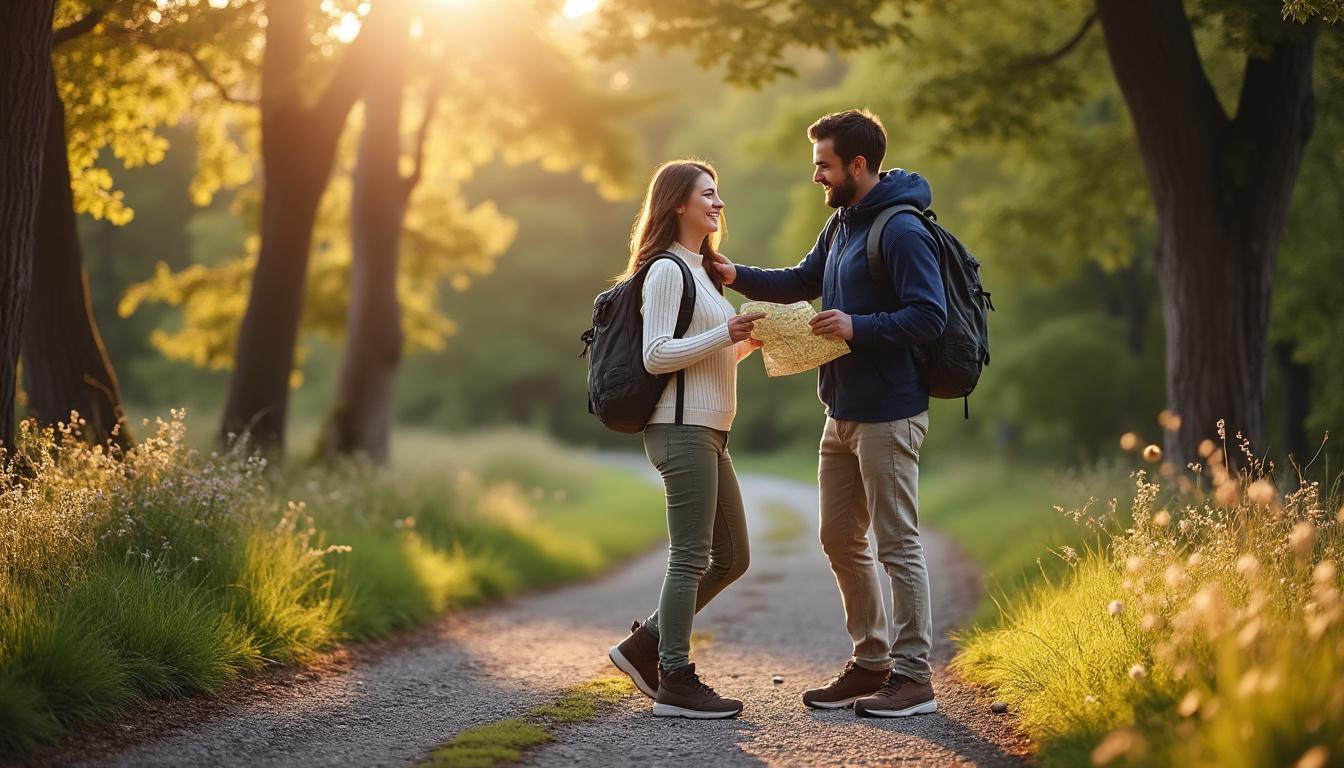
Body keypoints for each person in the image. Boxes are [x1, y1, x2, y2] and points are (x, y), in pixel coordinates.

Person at [707, 110, 948, 718]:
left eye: (823, 163)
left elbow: (930, 316)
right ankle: (872, 663)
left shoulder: (902, 231)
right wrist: (737, 275)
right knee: (839, 537)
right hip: (839, 412)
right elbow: (801, 279)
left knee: (897, 544)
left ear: (857, 165)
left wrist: (855, 325)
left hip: (889, 415)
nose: (816, 175)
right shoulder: (842, 223)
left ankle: (914, 677)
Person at [607, 159, 766, 719]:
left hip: (710, 430)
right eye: (708, 194)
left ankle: (645, 644)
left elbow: (702, 356)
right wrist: (726, 331)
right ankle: (674, 677)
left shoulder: (703, 272)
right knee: (693, 557)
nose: (718, 204)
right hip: (680, 430)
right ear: (677, 203)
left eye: (719, 195)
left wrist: (747, 342)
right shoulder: (667, 270)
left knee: (734, 557)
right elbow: (656, 357)